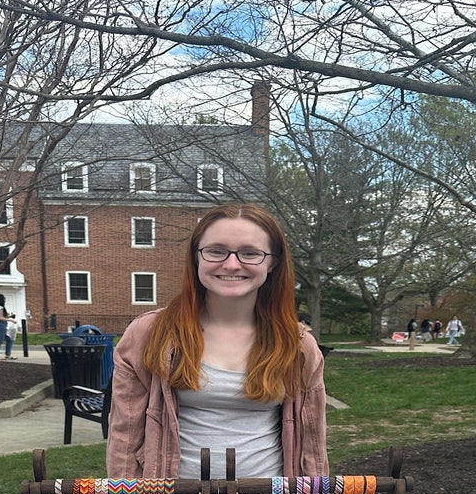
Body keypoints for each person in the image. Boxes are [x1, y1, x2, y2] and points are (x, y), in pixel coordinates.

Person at [107, 203, 328, 480]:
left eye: (250, 253)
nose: (232, 264)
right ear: (196, 257)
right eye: (216, 251)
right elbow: (124, 438)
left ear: (272, 262)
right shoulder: (148, 334)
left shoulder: (298, 345)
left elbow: (312, 444)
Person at [0, 293, 18, 360]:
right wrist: (11, 320)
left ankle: (8, 354)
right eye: (4, 299)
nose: (5, 300)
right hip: (0, 325)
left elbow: (0, 316)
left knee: (9, 339)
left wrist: (9, 316)